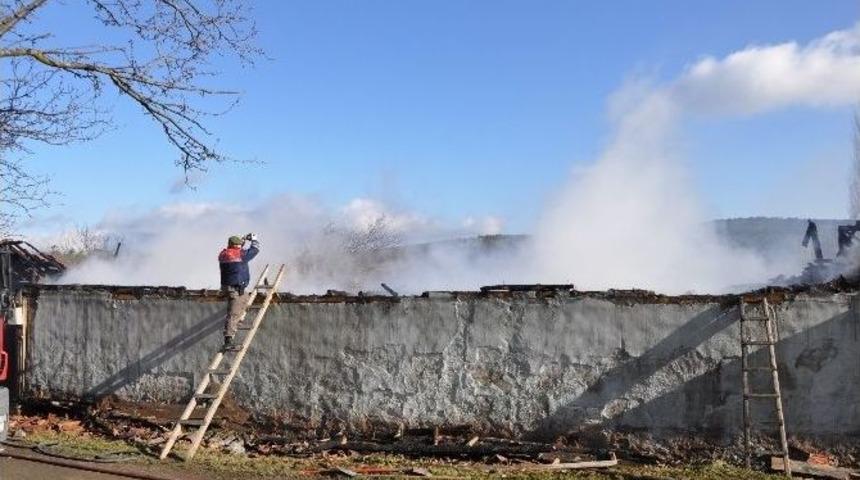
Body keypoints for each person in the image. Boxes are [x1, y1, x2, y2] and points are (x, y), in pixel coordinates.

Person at [218, 233, 260, 350]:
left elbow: (237, 250)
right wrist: (254, 239)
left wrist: (242, 241)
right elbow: (255, 250)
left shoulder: (223, 254)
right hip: (235, 289)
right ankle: (228, 340)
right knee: (233, 314)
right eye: (239, 244)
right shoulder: (240, 254)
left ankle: (236, 324)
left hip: (228, 287)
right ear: (236, 245)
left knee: (246, 299)